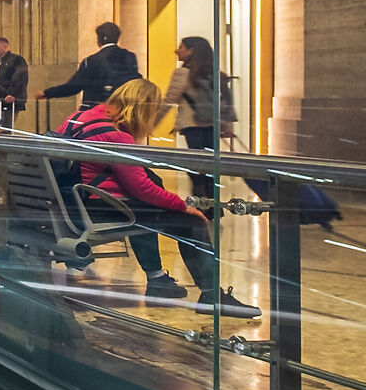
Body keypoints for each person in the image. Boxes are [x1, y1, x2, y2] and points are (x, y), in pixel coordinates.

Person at [63, 78, 256, 317]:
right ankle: (211, 297)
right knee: (190, 222)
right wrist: (183, 206)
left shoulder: (84, 117)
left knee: (148, 206)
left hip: (72, 202)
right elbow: (141, 188)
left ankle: (157, 280)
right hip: (96, 207)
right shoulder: (116, 135)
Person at [164, 36, 229, 196]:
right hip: (212, 125)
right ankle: (212, 201)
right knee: (210, 165)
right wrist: (227, 126)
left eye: (181, 47)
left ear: (192, 51)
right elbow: (226, 103)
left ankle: (201, 201)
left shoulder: (182, 73)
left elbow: (169, 101)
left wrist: (151, 122)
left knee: (195, 164)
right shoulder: (216, 74)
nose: (177, 50)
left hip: (192, 126)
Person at [41, 22, 141, 109]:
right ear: (117, 38)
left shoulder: (91, 61)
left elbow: (73, 87)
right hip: (122, 110)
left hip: (96, 111)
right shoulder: (130, 57)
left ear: (99, 39)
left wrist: (48, 93)